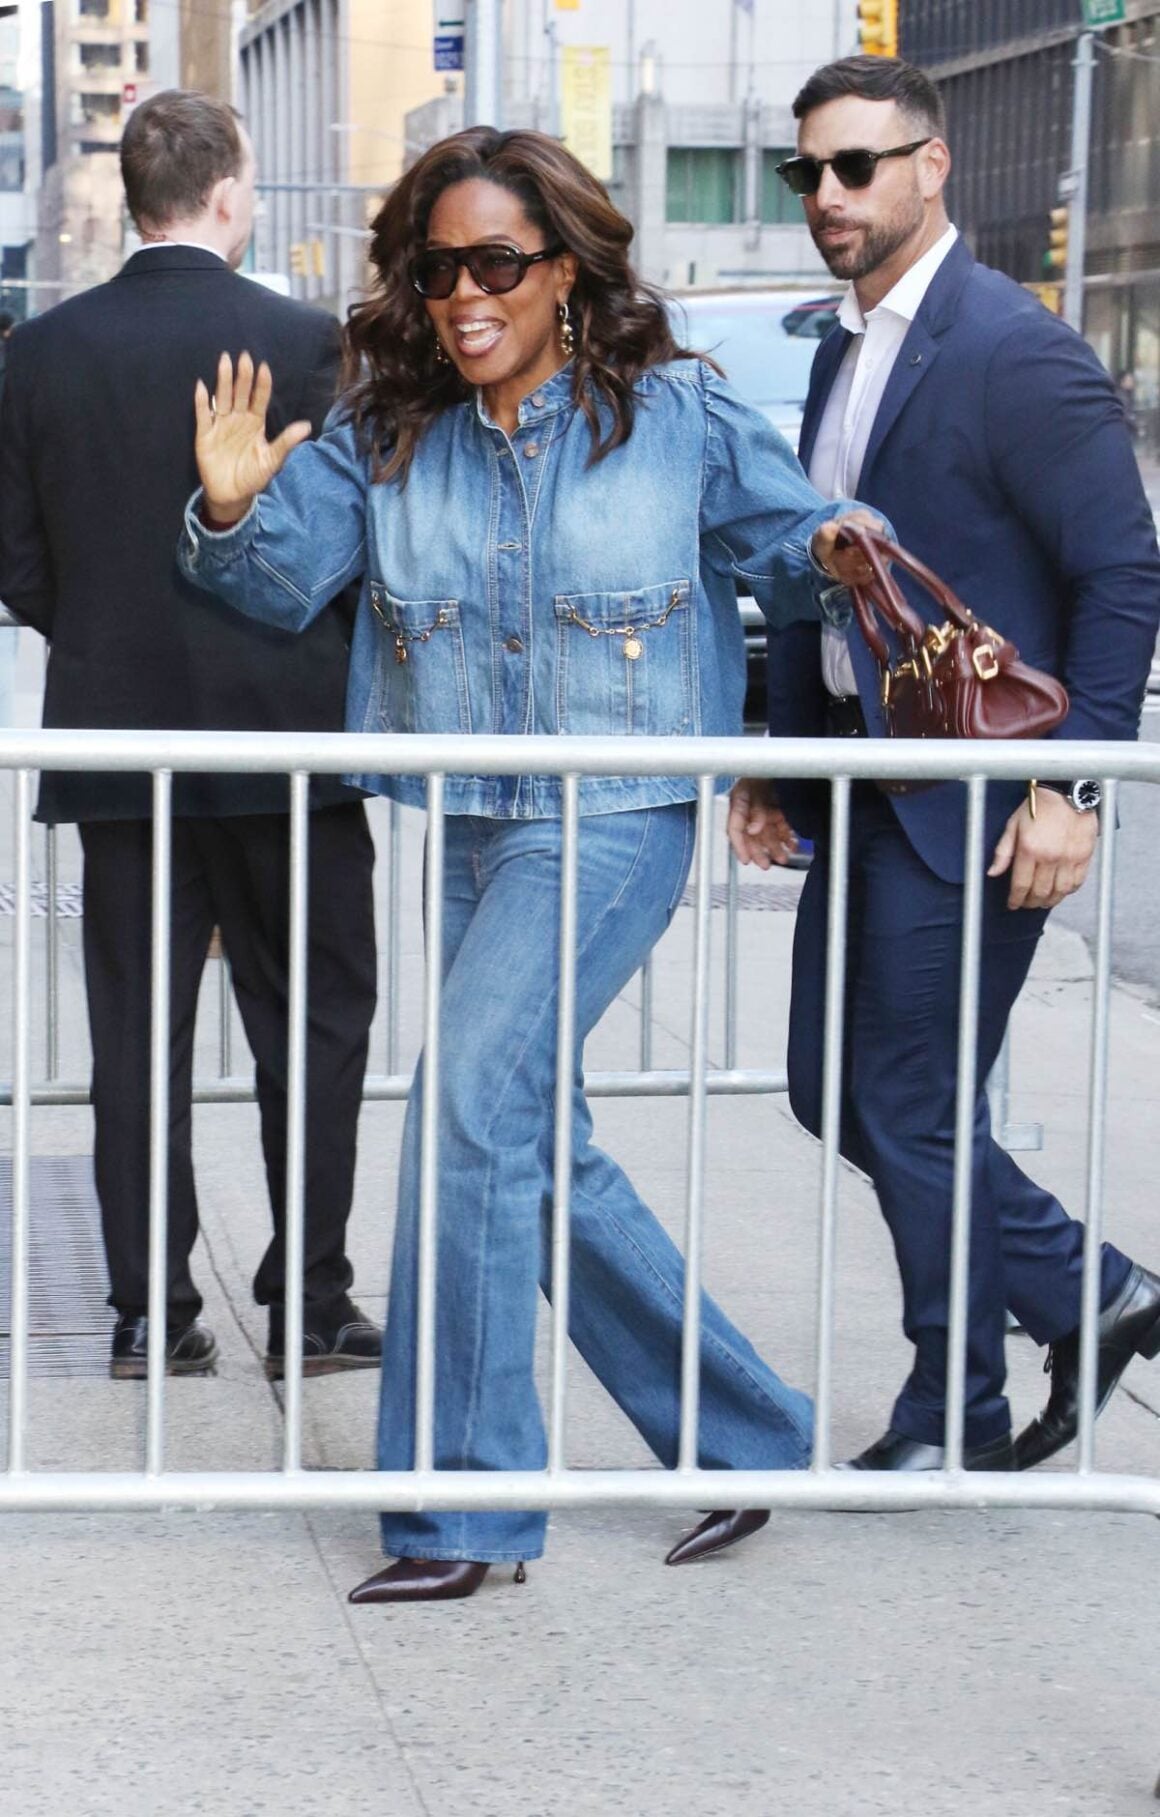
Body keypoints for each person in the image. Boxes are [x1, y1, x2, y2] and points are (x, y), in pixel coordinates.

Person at [178, 126, 880, 1600]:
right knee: (526, 1145)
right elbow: (280, 580)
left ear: (565, 269)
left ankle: (463, 1509)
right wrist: (235, 505)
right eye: (439, 269)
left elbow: (792, 536)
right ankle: (748, 1436)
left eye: (497, 262)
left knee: (464, 1121)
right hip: (477, 821)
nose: (464, 294)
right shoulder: (390, 431)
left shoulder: (673, 413)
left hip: (616, 819)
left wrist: (847, 549)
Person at [728, 56, 1160, 1494]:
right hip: (859, 786)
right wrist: (777, 762)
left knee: (908, 1104)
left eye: (858, 166)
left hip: (980, 805)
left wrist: (1076, 791)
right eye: (810, 174)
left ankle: (976, 1373)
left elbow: (1120, 574)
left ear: (935, 165)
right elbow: (817, 577)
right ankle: (1058, 1307)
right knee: (827, 1089)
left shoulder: (1014, 347)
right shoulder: (847, 350)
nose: (830, 197)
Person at [0, 90, 381, 1383]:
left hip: (120, 750)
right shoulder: (304, 341)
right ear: (232, 190)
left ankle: (147, 1310)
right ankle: (315, 1295)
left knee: (133, 1039)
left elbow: (18, 566)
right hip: (288, 738)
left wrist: (107, 634)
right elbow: (345, 550)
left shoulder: (38, 352)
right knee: (316, 1022)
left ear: (132, 191)